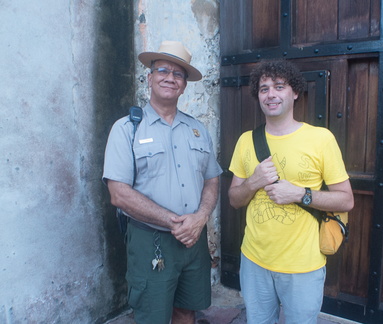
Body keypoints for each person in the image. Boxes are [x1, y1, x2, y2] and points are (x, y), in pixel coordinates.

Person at [103, 40, 222, 324]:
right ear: (150, 78)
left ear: (184, 84)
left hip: (194, 240)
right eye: (162, 70)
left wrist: (201, 217)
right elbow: (118, 194)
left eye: (178, 74)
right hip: (151, 240)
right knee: (152, 316)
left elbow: (212, 179)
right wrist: (174, 222)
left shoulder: (197, 129)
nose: (170, 77)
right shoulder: (126, 129)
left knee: (186, 310)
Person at [228, 59, 354, 324]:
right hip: (254, 261)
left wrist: (300, 194)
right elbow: (234, 199)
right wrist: (253, 182)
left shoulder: (321, 139)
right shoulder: (245, 141)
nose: (271, 94)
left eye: (279, 86)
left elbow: (346, 200)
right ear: (258, 96)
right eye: (264, 89)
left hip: (303, 265)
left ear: (295, 92)